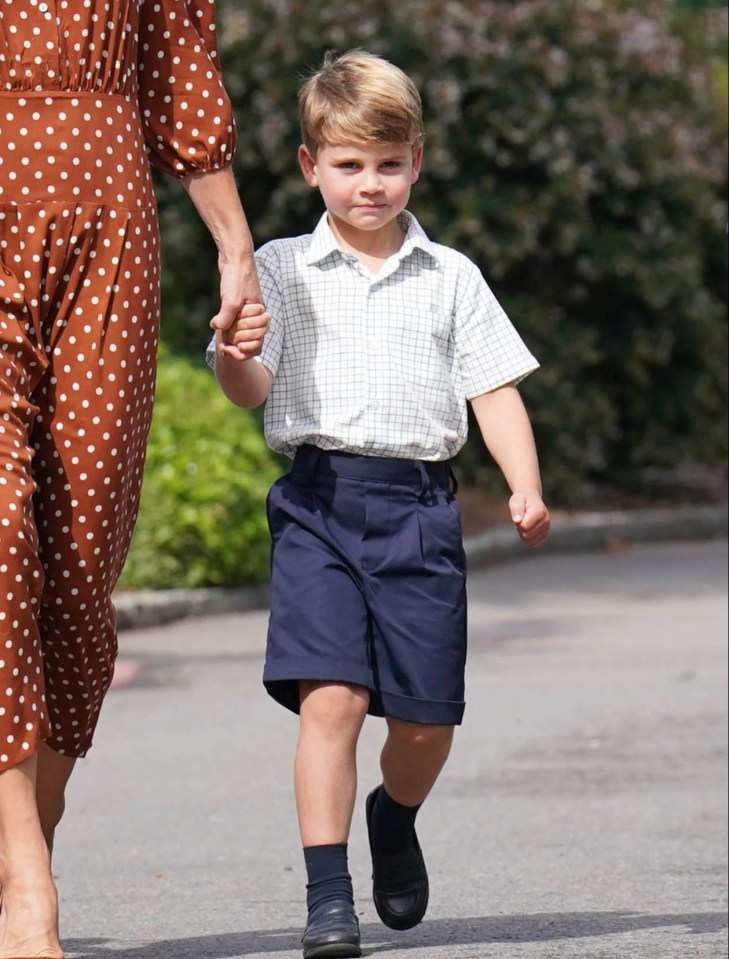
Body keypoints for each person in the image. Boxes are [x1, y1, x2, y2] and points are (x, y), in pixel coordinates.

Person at [210, 50, 551, 959]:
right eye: (349, 164)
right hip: (319, 504)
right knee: (332, 699)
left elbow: (494, 389)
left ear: (417, 162)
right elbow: (250, 388)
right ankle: (329, 897)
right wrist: (229, 351)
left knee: (425, 722)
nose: (370, 184)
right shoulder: (281, 269)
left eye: (388, 164)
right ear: (309, 165)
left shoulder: (450, 276)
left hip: (419, 512)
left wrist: (522, 481)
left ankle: (392, 816)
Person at [0, 3, 267, 956]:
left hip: (110, 223)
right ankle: (28, 887)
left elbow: (181, 73)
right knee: (1, 537)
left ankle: (29, 825)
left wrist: (236, 248)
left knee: (79, 563)